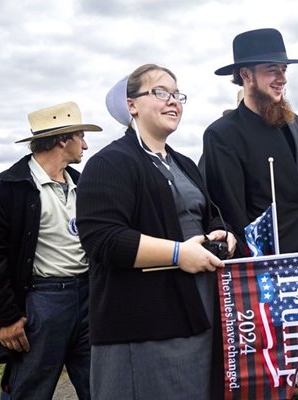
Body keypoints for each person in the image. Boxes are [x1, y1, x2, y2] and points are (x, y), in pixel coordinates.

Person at [201, 28, 298, 400]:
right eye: (272, 69)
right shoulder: (222, 134)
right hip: (271, 270)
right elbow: (232, 212)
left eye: (284, 68)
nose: (282, 77)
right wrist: (255, 264)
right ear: (245, 75)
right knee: (271, 372)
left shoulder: (294, 123)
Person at [76, 64, 235, 399]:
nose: (173, 101)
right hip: (145, 321)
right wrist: (178, 253)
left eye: (178, 95)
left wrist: (221, 234)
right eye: (160, 92)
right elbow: (102, 240)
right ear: (131, 104)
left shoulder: (185, 163)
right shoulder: (111, 162)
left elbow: (210, 216)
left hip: (197, 308)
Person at [0, 102, 100, 399]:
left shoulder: (83, 184)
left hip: (88, 296)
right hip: (43, 300)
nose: (86, 144)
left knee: (100, 384)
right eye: (80, 136)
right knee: (28, 388)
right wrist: (5, 317)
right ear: (62, 139)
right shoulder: (9, 188)